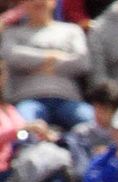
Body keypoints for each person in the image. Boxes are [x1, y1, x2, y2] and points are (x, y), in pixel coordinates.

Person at [3, 0, 92, 132]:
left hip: (67, 99)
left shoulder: (72, 31)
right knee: (24, 129)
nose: (38, 2)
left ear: (54, 2)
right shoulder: (12, 33)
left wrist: (32, 64)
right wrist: (52, 57)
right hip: (28, 99)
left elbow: (82, 62)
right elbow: (11, 56)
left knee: (90, 123)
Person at [0, 58, 72, 182]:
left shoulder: (9, 109)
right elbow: (17, 131)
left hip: (14, 169)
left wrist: (45, 136)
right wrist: (21, 129)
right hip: (3, 173)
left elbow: (24, 138)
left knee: (52, 175)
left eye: (2, 73)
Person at [66, 81, 118, 175]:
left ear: (116, 110)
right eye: (96, 108)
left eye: (105, 109)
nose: (98, 114)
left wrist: (111, 154)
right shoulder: (80, 132)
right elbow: (79, 170)